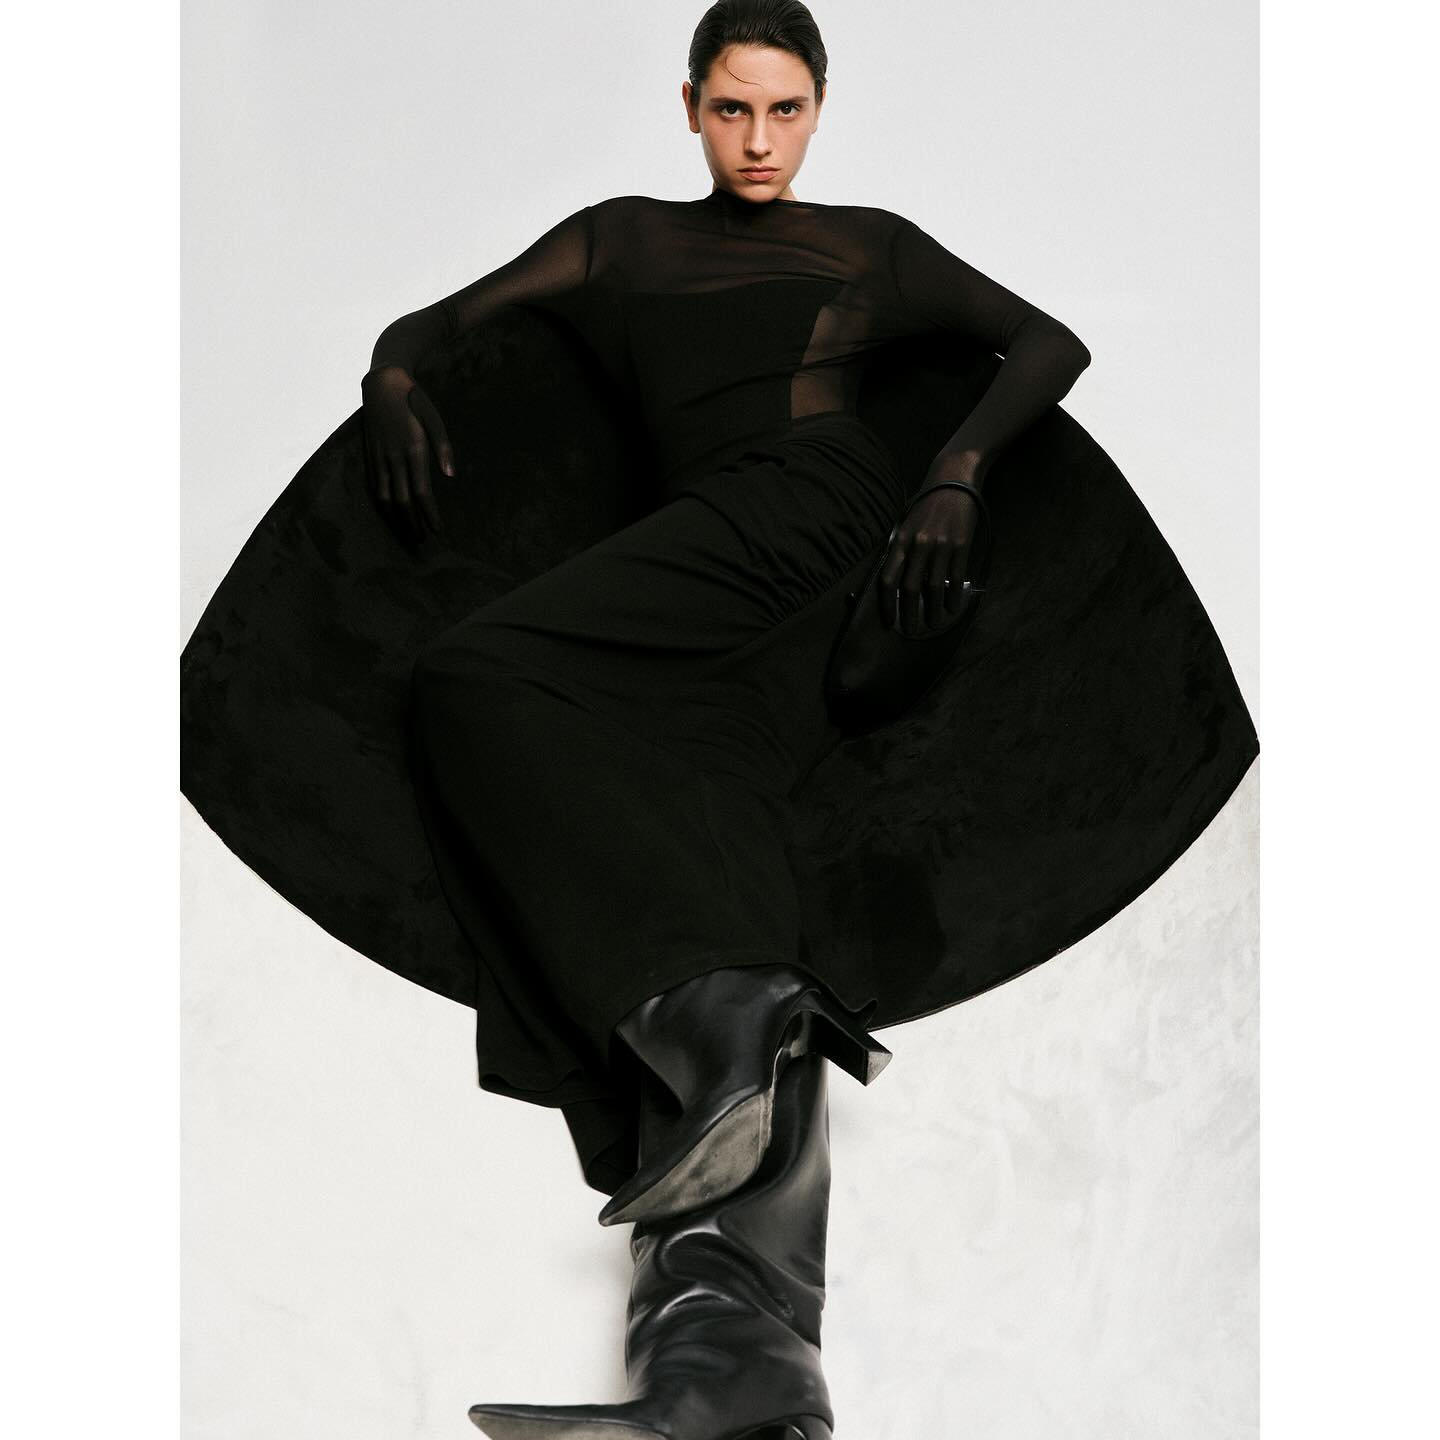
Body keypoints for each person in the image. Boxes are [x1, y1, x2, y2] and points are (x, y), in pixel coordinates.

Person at [180, 2, 1258, 1436]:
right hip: (724, 588)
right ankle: (730, 1367)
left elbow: (1044, 342)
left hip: (815, 517)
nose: (759, 142)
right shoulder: (620, 243)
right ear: (688, 104)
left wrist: (955, 476)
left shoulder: (866, 248)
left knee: (476, 676)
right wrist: (390, 377)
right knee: (720, 844)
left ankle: (713, 1032)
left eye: (786, 111)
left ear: (820, 110)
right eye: (734, 109)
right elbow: (439, 325)